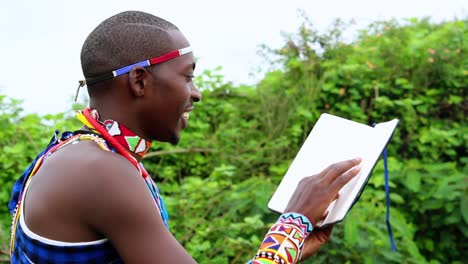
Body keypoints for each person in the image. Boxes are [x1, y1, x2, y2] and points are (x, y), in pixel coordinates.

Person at [8, 11, 361, 263]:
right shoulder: (101, 173)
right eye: (188, 76)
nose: (196, 93)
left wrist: (293, 243)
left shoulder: (75, 153)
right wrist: (293, 223)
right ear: (140, 81)